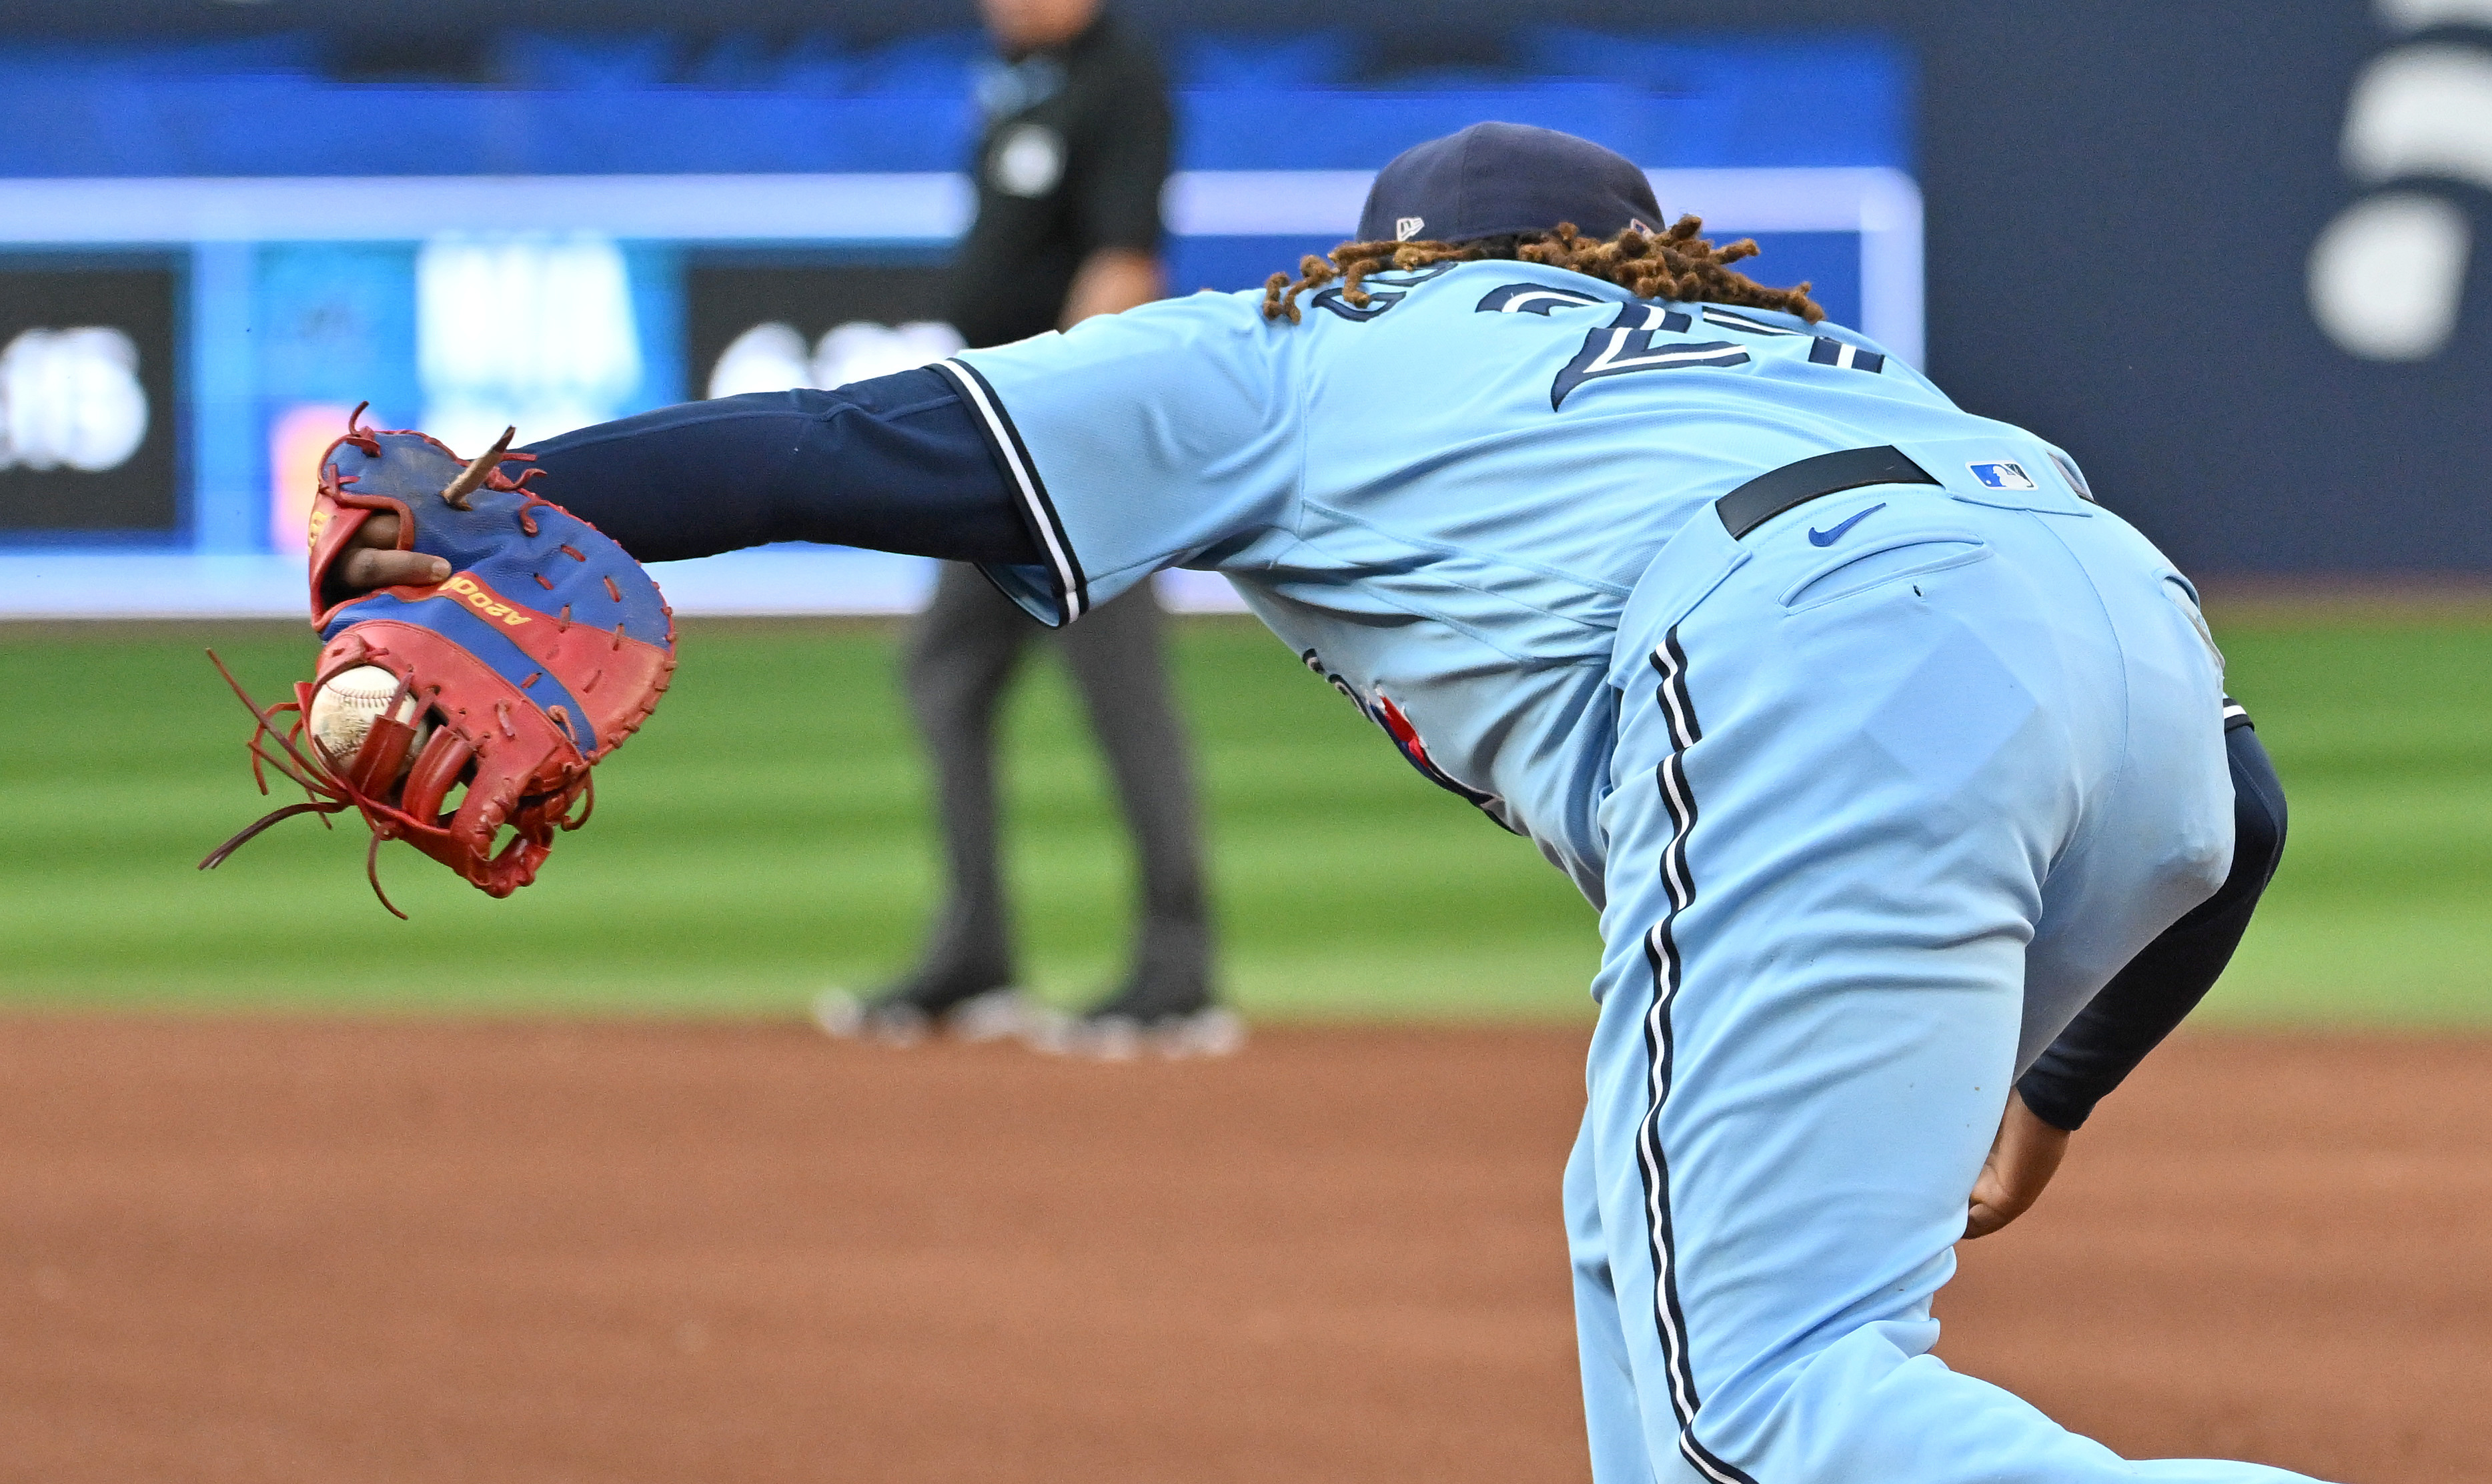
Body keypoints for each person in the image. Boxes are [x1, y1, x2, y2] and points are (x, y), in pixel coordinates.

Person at [335, 123, 2301, 1482]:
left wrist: (504, 507)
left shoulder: (1306, 343)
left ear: (1397, 252)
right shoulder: (1799, 353)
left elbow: (848, 442)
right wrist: (2052, 1093)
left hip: (1819, 641)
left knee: (1767, 1401)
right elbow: (2239, 809)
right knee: (1641, 1253)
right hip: (2112, 605)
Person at [817, 0, 1228, 1054]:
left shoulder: (1120, 79)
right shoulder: (1015, 81)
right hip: (999, 440)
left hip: (1075, 440)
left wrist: (1068, 416)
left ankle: (1178, 972)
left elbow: (1126, 264)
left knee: (1121, 694)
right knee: (945, 672)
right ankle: (974, 952)